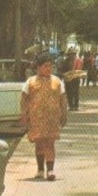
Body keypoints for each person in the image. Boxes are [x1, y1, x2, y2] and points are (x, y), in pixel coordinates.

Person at [20, 52, 69, 181]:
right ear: (38, 67)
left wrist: (64, 114)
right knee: (39, 144)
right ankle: (40, 170)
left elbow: (63, 99)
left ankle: (51, 170)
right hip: (36, 119)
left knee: (50, 143)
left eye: (50, 66)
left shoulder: (57, 81)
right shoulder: (30, 82)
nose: (49, 68)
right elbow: (24, 99)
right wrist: (24, 115)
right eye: (46, 66)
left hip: (52, 119)